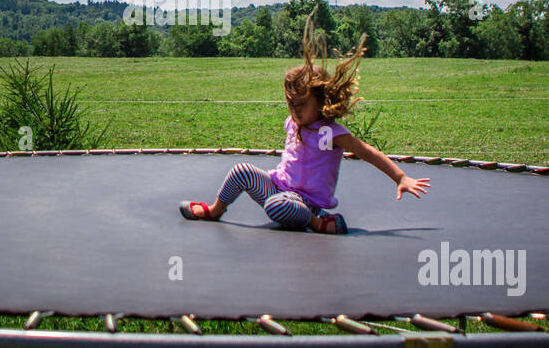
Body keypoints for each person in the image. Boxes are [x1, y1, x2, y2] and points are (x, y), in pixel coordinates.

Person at [179, 15, 430, 234]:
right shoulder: (293, 122)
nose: (294, 110)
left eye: (300, 104)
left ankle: (318, 222)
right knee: (241, 171)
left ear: (320, 101)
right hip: (277, 187)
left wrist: (400, 177)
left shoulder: (327, 133)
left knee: (277, 206)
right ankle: (215, 210)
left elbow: (366, 151)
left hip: (302, 202)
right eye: (290, 103)